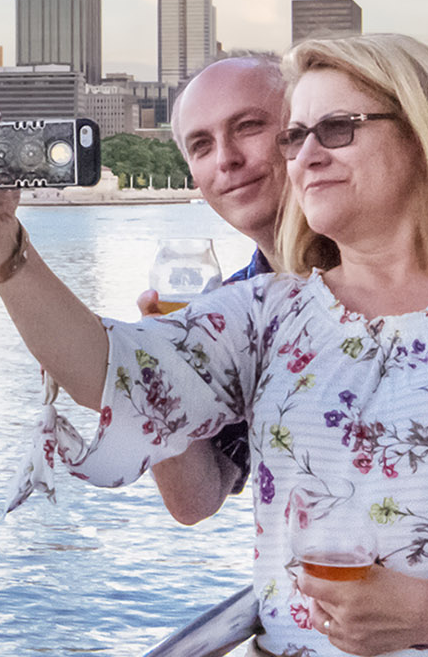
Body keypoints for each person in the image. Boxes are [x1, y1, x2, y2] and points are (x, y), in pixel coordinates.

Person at [0, 33, 428, 655]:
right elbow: (115, 374)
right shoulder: (264, 313)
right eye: (294, 135)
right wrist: (2, 249)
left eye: (336, 129)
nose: (306, 155)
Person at [139, 56, 288, 525]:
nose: (226, 159)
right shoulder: (233, 304)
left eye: (247, 127)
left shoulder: (397, 274)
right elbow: (195, 500)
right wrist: (160, 363)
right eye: (201, 146)